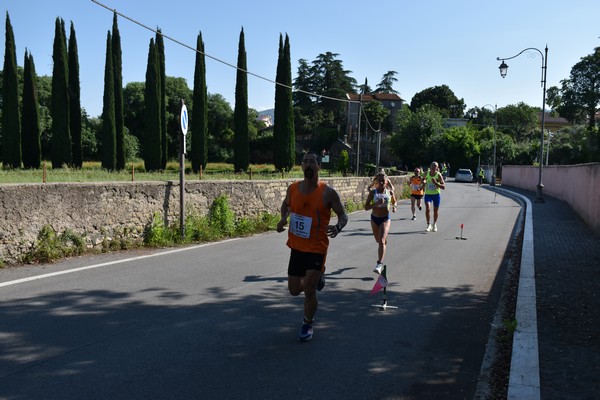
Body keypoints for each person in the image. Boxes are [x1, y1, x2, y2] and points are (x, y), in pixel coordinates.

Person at [276, 152, 348, 342]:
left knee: (309, 290)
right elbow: (285, 205)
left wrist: (338, 226)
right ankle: (318, 275)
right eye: (305, 162)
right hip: (297, 246)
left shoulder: (327, 193)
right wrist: (283, 219)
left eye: (312, 162)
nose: (308, 164)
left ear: (319, 167)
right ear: (301, 166)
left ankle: (307, 323)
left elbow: (343, 215)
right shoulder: (292, 189)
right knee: (293, 290)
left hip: (317, 247)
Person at [364, 171, 397, 274]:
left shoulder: (389, 192)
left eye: (383, 180)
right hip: (374, 219)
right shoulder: (373, 193)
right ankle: (383, 244)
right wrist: (376, 204)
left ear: (387, 182)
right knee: (379, 241)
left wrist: (394, 207)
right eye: (379, 180)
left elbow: (394, 201)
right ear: (377, 181)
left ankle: (379, 264)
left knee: (382, 240)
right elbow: (366, 207)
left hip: (385, 219)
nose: (382, 182)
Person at [424, 161, 445, 232]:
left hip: (436, 194)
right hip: (428, 194)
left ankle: (434, 224)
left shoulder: (438, 175)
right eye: (432, 165)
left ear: (437, 168)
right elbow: (423, 180)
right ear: (430, 167)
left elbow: (443, 187)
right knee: (427, 208)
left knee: (435, 211)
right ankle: (428, 224)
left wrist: (436, 183)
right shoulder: (426, 173)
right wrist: (423, 182)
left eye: (435, 166)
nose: (433, 167)